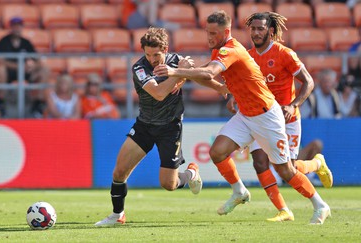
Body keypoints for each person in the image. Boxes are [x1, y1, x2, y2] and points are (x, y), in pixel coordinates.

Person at [153, 10, 331, 224]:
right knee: (217, 152)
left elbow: (209, 72)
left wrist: (175, 72)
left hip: (267, 117)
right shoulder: (221, 51)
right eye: (207, 33)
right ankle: (240, 191)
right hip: (246, 115)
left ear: (226, 32)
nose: (209, 38)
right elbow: (211, 77)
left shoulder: (232, 49)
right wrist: (219, 88)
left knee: (285, 170)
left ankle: (320, 205)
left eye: (213, 33)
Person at [94, 27, 222, 227]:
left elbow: (199, 76)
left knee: (168, 184)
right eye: (148, 54)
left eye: (156, 54)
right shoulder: (140, 68)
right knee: (119, 172)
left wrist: (221, 88)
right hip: (145, 125)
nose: (152, 58)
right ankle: (117, 214)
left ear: (166, 49)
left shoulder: (176, 60)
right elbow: (159, 93)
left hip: (170, 128)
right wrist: (179, 74)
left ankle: (190, 174)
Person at [222, 12, 333, 222]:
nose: (255, 33)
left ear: (271, 31)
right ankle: (283, 210)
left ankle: (317, 164)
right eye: (252, 29)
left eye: (260, 29)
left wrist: (294, 105)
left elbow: (308, 82)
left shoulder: (284, 54)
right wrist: (234, 97)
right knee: (260, 162)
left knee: (288, 169)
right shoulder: (247, 56)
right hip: (258, 116)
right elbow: (242, 83)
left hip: (286, 119)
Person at [0, 17, 49, 117]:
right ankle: (1, 101)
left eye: (19, 26)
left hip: (25, 72)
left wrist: (32, 66)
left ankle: (38, 104)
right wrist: (19, 67)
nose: (17, 28)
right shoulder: (4, 41)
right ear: (11, 27)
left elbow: (37, 60)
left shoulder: (26, 42)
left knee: (44, 70)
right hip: (9, 72)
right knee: (0, 69)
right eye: (14, 26)